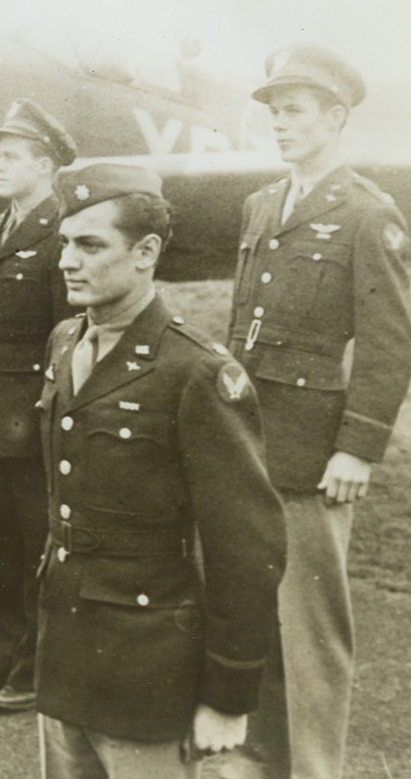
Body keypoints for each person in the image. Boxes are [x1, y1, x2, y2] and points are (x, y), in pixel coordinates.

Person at [36, 164, 286, 777]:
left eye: (90, 245)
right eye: (65, 242)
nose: (68, 260)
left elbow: (247, 545)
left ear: (146, 252)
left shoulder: (195, 372)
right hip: (65, 649)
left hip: (147, 667)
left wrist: (228, 695)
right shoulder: (65, 342)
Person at [224, 45, 411, 779]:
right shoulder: (261, 206)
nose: (279, 124)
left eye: (294, 110)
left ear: (336, 117)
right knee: (253, 621)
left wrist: (358, 448)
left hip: (312, 454)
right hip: (248, 444)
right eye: (273, 111)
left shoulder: (368, 215)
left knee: (311, 637)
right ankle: (264, 765)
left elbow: (391, 344)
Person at [0, 99, 77, 713]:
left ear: (45, 164)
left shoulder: (61, 229)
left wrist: (53, 412)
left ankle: (35, 663)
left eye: (9, 157)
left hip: (31, 408)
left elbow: (69, 332)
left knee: (34, 540)